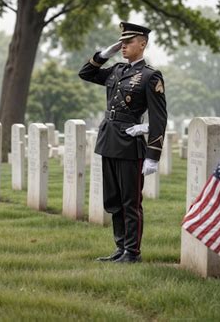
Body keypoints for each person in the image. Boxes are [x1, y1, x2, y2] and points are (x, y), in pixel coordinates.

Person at [78, 22, 167, 263]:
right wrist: (104, 54)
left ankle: (133, 252)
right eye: (122, 43)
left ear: (142, 44)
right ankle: (120, 249)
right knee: (113, 200)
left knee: (130, 202)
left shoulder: (150, 76)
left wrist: (152, 154)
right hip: (108, 140)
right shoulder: (116, 70)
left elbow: (159, 117)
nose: (124, 46)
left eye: (128, 42)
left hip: (129, 143)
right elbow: (85, 73)